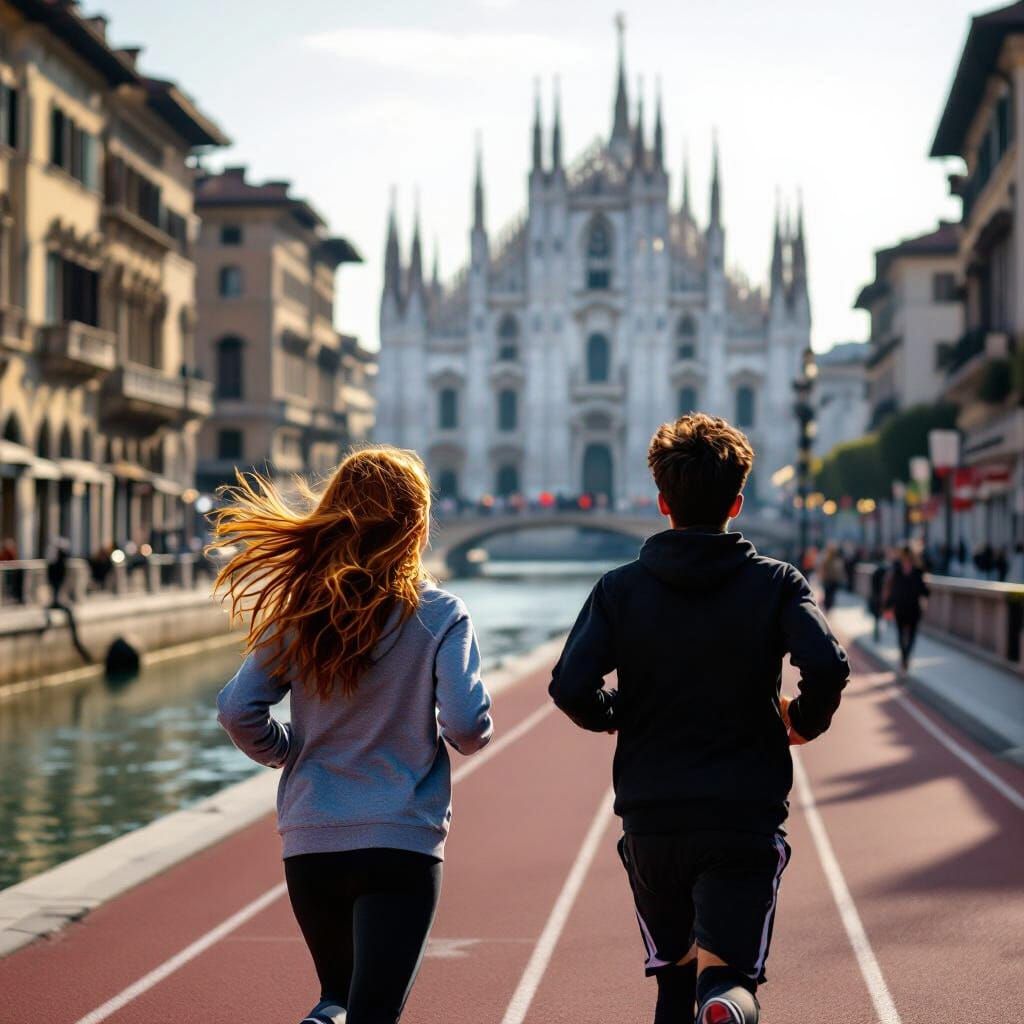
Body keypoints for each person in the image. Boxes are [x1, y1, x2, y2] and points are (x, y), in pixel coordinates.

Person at [549, 413, 850, 1024]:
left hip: (653, 815)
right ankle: (727, 1008)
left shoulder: (619, 589)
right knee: (730, 978)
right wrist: (802, 721)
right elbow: (829, 665)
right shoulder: (775, 582)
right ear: (738, 502)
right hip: (743, 812)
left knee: (671, 980)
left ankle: (710, 1004)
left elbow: (569, 686)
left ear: (661, 501)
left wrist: (619, 712)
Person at [213, 447, 493, 1024]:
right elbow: (466, 725)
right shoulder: (440, 614)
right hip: (400, 841)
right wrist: (466, 738)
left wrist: (289, 750)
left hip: (312, 837)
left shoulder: (300, 609)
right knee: (375, 1013)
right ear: (416, 525)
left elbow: (239, 709)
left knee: (339, 997)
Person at [885, 545, 929, 673]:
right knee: (900, 634)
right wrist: (888, 605)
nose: (906, 560)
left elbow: (924, 591)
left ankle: (906, 656)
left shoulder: (918, 571)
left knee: (912, 635)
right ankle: (904, 658)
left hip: (914, 608)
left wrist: (925, 592)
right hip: (900, 607)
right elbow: (892, 590)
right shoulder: (896, 571)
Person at [820, 543, 846, 612]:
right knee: (828, 595)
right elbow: (823, 569)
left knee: (831, 595)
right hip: (828, 580)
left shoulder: (836, 560)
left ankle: (828, 607)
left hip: (833, 580)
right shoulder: (826, 559)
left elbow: (839, 571)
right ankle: (827, 607)